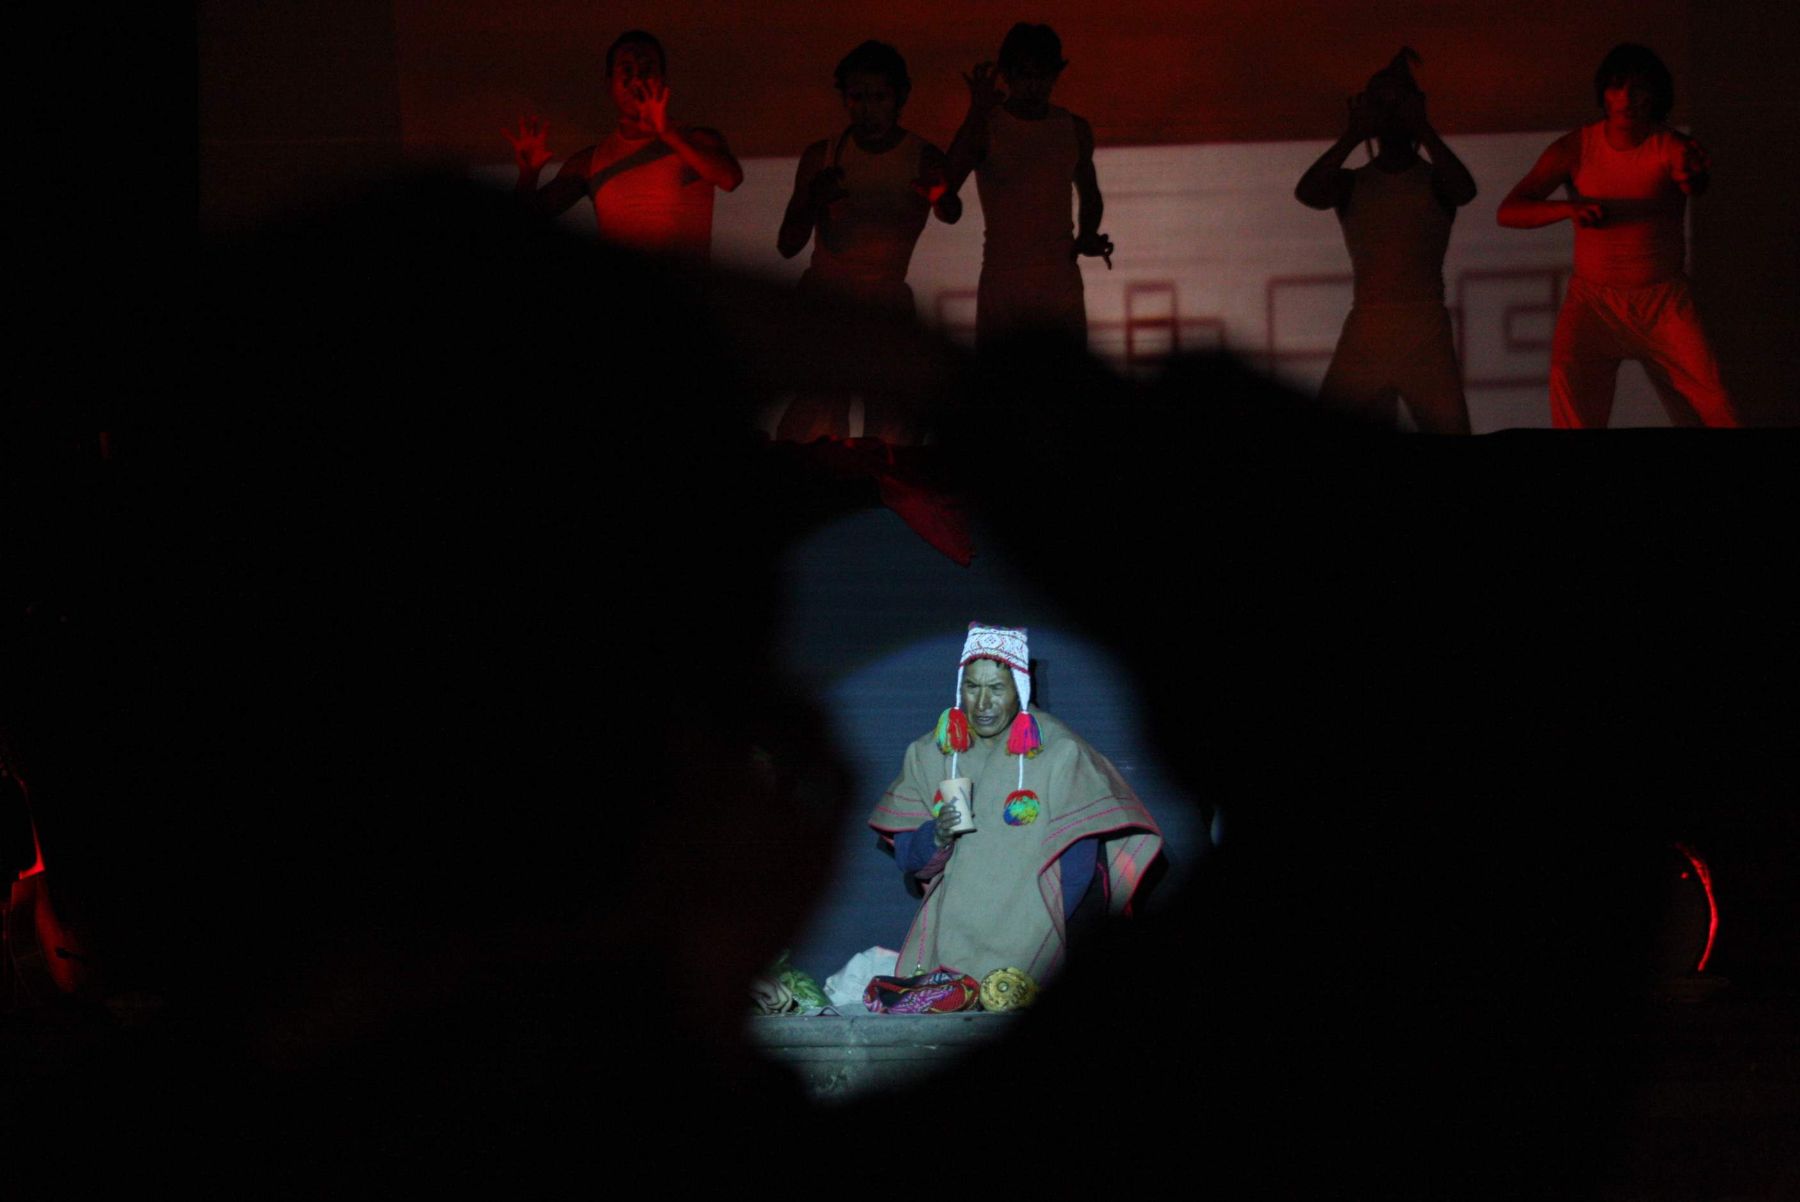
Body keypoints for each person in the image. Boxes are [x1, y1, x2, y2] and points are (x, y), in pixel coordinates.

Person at [866, 623, 1162, 989]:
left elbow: (1078, 869)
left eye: (996, 688)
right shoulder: (933, 752)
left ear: (1020, 688)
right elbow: (909, 859)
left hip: (1043, 928)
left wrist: (1033, 940)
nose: (983, 703)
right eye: (972, 687)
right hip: (960, 936)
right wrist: (938, 836)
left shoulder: (1059, 750)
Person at [1496, 43, 1737, 427]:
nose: (1626, 98)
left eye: (1638, 89)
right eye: (1616, 87)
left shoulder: (1668, 146)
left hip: (1662, 303)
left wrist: (1691, 172)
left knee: (1715, 408)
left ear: (1654, 96)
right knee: (1570, 400)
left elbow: (1689, 176)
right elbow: (1509, 211)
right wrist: (1568, 209)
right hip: (1594, 302)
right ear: (1604, 93)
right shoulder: (1577, 147)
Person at [1295, 49, 1478, 434]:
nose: (1389, 110)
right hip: (1369, 324)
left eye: (1396, 101)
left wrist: (1423, 128)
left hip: (1424, 325)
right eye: (1380, 101)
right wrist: (1352, 134)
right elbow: (1308, 193)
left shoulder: (1433, 179)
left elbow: (1464, 191)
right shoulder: (1352, 182)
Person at [505, 31, 743, 261]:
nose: (637, 78)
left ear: (663, 78)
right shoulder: (590, 161)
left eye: (647, 67)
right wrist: (528, 173)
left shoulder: (696, 140)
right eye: (627, 69)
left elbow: (729, 178)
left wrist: (666, 133)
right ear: (610, 84)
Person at [944, 24, 1113, 349]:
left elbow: (1090, 193)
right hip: (1006, 281)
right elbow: (948, 182)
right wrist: (976, 113)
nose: (1034, 85)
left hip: (1056, 279)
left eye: (1043, 75)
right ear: (1007, 74)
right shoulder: (989, 126)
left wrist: (1087, 234)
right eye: (1025, 75)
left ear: (1054, 75)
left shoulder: (1072, 129)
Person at [778, 41, 962, 316]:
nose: (868, 110)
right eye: (858, 98)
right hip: (823, 306)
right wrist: (813, 201)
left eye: (879, 98)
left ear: (900, 96)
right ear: (845, 98)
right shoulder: (822, 156)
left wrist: (941, 195)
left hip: (885, 309)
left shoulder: (922, 156)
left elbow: (951, 213)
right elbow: (787, 246)